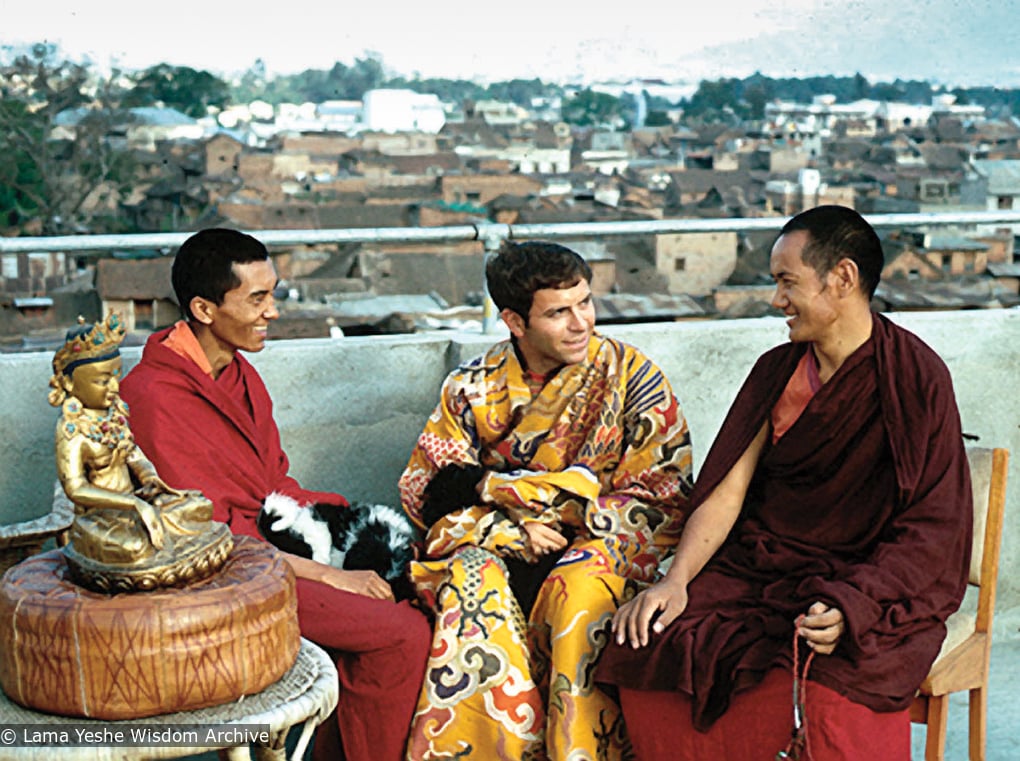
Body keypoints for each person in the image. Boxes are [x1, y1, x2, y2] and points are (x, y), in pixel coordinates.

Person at [597, 205, 973, 760]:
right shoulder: (778, 370)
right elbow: (728, 489)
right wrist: (675, 581)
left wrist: (854, 604)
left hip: (862, 575)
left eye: (786, 282)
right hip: (764, 566)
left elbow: (932, 527)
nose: (776, 301)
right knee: (650, 641)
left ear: (842, 278)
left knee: (832, 675)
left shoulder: (916, 378)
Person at [119, 228, 430, 761]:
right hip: (219, 573)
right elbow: (205, 531)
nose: (273, 312)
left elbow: (274, 483)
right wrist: (333, 575)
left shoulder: (238, 372)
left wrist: (351, 529)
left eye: (274, 294)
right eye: (257, 299)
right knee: (401, 633)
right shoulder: (153, 396)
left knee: (412, 582)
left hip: (269, 552)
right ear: (204, 308)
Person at [398, 240, 694, 760]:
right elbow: (428, 492)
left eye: (585, 303)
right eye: (559, 312)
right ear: (515, 321)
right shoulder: (471, 388)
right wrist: (509, 531)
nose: (582, 323)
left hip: (604, 541)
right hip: (503, 545)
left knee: (577, 591)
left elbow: (663, 492)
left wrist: (552, 506)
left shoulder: (631, 377)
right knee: (473, 581)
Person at [49, 312, 229, 591]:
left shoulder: (114, 413)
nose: (113, 387)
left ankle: (166, 559)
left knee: (199, 508)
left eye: (115, 376)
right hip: (100, 517)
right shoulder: (71, 431)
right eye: (101, 381)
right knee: (134, 548)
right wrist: (133, 505)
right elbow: (76, 489)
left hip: (137, 501)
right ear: (71, 384)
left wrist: (150, 480)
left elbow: (131, 453)